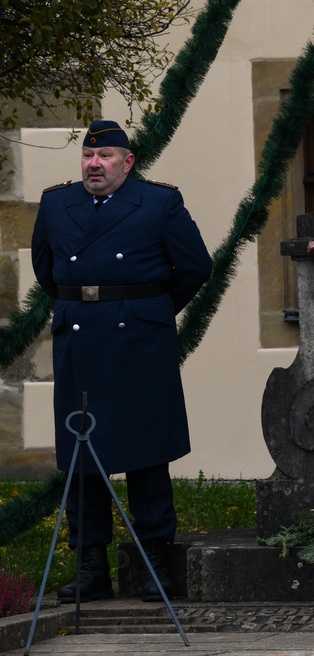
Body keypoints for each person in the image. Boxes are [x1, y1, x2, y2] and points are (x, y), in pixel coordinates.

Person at [31, 119, 213, 603]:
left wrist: (148, 311)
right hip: (79, 337)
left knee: (145, 451)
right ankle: (91, 565)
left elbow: (196, 266)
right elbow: (47, 271)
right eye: (88, 157)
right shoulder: (56, 203)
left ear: (127, 162)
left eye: (105, 156)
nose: (94, 164)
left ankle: (155, 560)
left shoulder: (158, 202)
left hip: (139, 341)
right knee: (81, 451)